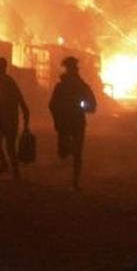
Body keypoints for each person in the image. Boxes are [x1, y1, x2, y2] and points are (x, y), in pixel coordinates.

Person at [47, 56, 97, 190]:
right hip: (66, 123)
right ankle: (73, 175)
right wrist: (57, 119)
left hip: (75, 122)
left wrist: (83, 107)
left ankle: (75, 181)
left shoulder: (80, 86)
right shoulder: (64, 87)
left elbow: (92, 105)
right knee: (65, 153)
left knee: (77, 153)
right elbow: (52, 105)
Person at [0, 57, 30, 179]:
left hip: (10, 120)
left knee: (9, 147)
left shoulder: (8, 82)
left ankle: (15, 171)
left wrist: (26, 121)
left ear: (1, 68)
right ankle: (5, 164)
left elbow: (20, 100)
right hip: (2, 120)